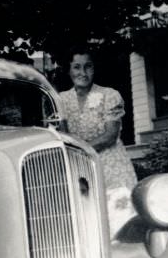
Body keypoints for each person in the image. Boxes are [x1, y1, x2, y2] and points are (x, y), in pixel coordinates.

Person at [58, 48, 137, 192]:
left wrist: (77, 150)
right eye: (77, 67)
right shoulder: (60, 100)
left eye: (88, 66)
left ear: (94, 69)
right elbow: (62, 137)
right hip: (81, 171)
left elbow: (110, 137)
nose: (83, 72)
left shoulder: (109, 95)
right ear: (68, 70)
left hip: (112, 169)